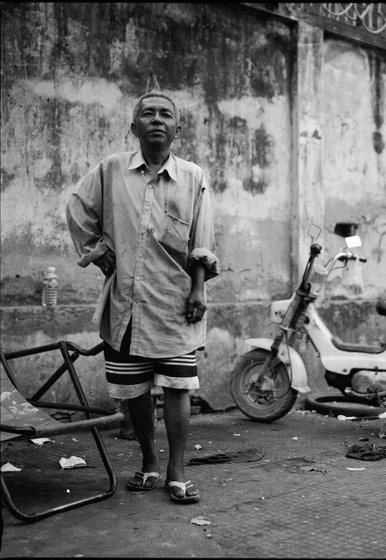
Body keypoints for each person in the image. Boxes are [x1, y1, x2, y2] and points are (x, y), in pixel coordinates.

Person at [66, 91, 219, 504]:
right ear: (134, 128)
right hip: (127, 304)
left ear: (177, 129)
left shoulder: (193, 177)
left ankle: (177, 470)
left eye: (165, 115)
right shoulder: (111, 170)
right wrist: (98, 255)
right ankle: (150, 461)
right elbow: (78, 209)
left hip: (176, 302)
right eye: (147, 114)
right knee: (134, 391)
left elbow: (201, 240)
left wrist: (198, 287)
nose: (156, 120)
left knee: (177, 386)